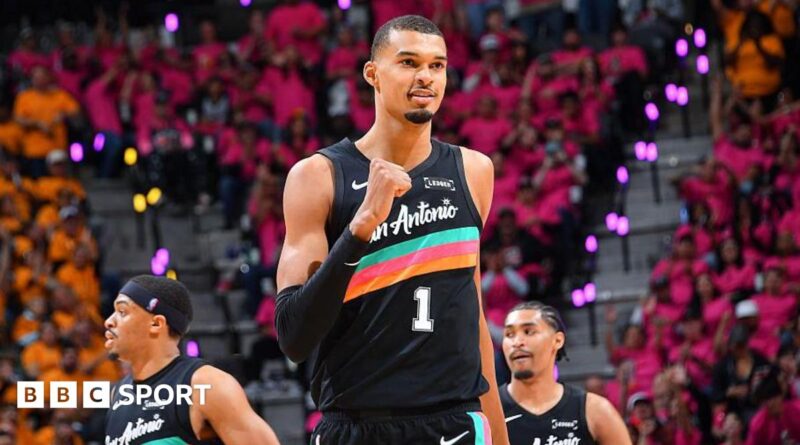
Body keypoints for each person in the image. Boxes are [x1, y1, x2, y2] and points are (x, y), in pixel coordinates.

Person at [275, 15, 509, 445]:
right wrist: (361, 226)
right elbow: (294, 336)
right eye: (408, 62)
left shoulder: (474, 170)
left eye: (437, 66)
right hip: (357, 423)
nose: (425, 77)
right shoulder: (318, 176)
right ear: (372, 74)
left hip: (455, 421)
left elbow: (470, 315)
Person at [104, 275, 279, 444]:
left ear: (156, 324)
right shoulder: (119, 394)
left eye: (122, 312)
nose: (109, 322)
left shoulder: (204, 384)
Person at [500, 301, 631, 445]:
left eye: (528, 331)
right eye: (509, 334)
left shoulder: (595, 411)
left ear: (557, 340)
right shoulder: (486, 411)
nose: (517, 342)